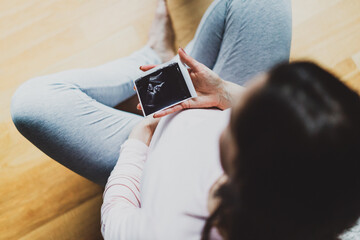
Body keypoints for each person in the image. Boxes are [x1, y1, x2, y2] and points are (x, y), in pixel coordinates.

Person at [10, 0, 360, 239]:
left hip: (149, 142)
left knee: (32, 103)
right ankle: (166, 64)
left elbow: (114, 219)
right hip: (202, 102)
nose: (242, 97)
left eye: (239, 114)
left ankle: (151, 56)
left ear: (234, 163)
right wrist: (223, 93)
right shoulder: (337, 180)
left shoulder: (169, 230)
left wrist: (136, 144)